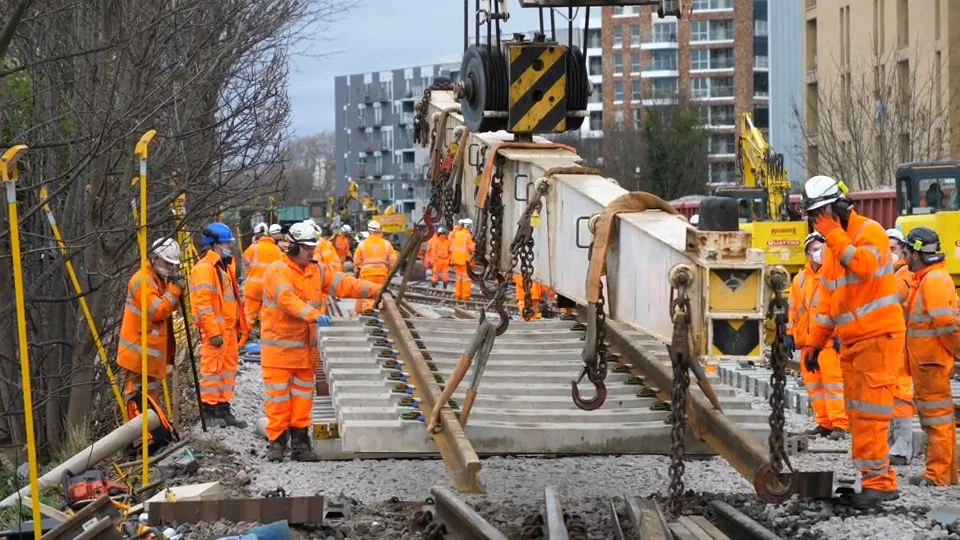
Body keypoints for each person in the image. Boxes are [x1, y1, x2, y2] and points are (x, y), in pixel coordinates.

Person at [803, 175, 905, 507]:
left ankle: (879, 483)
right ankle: (875, 481)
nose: (820, 222)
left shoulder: (870, 232)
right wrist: (814, 343)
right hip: (852, 342)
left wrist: (833, 235)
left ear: (838, 207)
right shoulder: (833, 249)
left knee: (872, 415)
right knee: (858, 414)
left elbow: (863, 265)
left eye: (823, 214)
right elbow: (828, 304)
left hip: (878, 337)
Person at [260, 222, 383, 462]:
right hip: (280, 351)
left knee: (303, 400)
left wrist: (377, 289)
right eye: (306, 248)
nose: (311, 252)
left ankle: (300, 443)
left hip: (306, 350)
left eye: (313, 248)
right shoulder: (278, 270)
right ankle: (276, 443)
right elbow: (286, 299)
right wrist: (314, 315)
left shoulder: (316, 270)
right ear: (293, 248)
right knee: (279, 400)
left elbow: (346, 284)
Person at [901, 227, 959, 486]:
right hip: (927, 361)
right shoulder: (926, 278)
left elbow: (946, 324)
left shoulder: (933, 280)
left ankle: (937, 475)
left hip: (931, 363)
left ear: (917, 253)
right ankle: (947, 474)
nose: (904, 257)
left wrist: (955, 352)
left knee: (937, 421)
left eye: (907, 252)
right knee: (937, 420)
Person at [788, 232, 848, 440]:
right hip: (806, 342)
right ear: (807, 253)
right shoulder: (800, 279)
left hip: (828, 342)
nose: (818, 253)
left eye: (822, 249)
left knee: (833, 384)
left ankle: (839, 424)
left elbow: (842, 306)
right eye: (814, 249)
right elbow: (793, 310)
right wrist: (789, 334)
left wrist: (841, 333)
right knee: (814, 387)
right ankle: (824, 423)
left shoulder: (834, 276)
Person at [191, 222, 249, 429]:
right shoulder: (205, 269)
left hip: (229, 330)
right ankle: (209, 410)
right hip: (215, 332)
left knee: (227, 371)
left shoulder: (224, 266)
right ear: (215, 244)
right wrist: (213, 332)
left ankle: (223, 408)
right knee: (212, 371)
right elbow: (202, 304)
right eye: (226, 243)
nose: (230, 246)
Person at [117, 238, 184, 404]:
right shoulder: (142, 280)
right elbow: (158, 311)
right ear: (154, 258)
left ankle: (150, 430)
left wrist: (174, 289)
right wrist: (174, 291)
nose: (170, 267)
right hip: (138, 355)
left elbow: (171, 309)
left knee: (151, 402)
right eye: (167, 263)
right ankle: (138, 430)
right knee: (137, 401)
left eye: (172, 264)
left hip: (150, 356)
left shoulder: (158, 279)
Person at [886, 228, 916, 466]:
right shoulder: (892, 273)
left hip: (902, 348)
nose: (888, 254)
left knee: (902, 395)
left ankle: (903, 447)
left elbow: (894, 297)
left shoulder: (904, 274)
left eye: (892, 249)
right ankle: (894, 444)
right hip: (890, 345)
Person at [242, 223, 282, 329]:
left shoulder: (253, 248)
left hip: (253, 289)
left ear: (256, 236)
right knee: (266, 317)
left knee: (249, 317)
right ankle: (264, 339)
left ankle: (242, 341)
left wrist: (252, 244)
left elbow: (245, 263)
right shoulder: (277, 250)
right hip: (269, 290)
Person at [352, 220, 397, 313]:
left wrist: (359, 268)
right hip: (382, 274)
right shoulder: (386, 244)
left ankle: (369, 311)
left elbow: (356, 260)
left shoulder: (363, 244)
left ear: (369, 232)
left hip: (367, 274)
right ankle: (380, 310)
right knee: (379, 293)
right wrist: (389, 271)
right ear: (380, 231)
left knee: (368, 294)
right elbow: (394, 261)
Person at [450, 218, 475, 300]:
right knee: (466, 279)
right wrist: (475, 245)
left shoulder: (457, 234)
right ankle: (465, 296)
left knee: (458, 279)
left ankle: (458, 295)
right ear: (469, 226)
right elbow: (472, 248)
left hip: (457, 260)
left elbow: (452, 246)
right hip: (465, 261)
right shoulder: (467, 236)